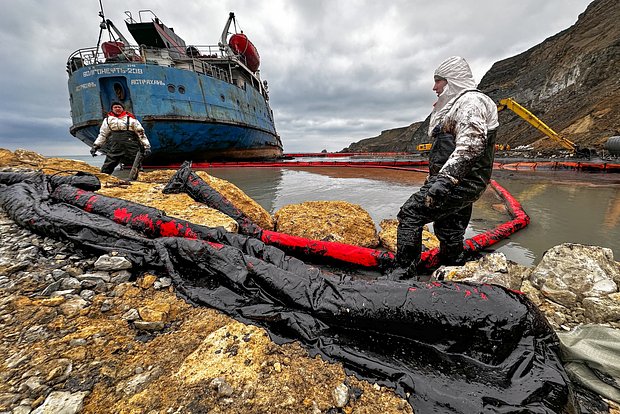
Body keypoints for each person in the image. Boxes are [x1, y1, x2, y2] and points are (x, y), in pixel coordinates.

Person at [394, 56, 499, 279]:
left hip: (458, 181)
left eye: (438, 81)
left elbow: (471, 145)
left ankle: (403, 273)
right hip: (466, 181)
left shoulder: (470, 102)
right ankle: (453, 262)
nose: (434, 87)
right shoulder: (460, 104)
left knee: (411, 214)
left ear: (452, 80)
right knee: (450, 227)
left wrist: (444, 180)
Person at [90, 102, 151, 174]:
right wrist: (95, 146)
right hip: (115, 146)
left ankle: (140, 178)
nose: (117, 109)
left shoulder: (131, 119)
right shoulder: (107, 120)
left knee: (137, 165)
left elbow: (141, 134)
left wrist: (147, 147)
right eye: (115, 107)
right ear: (112, 109)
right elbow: (103, 135)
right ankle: (103, 178)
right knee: (108, 165)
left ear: (123, 109)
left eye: (119, 107)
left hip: (131, 146)